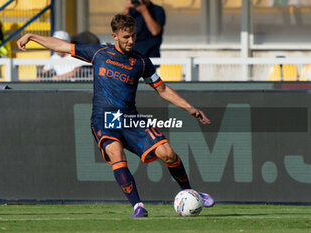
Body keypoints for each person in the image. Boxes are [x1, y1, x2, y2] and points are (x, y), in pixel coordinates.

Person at [17, 13, 215, 217]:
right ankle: (138, 206)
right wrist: (32, 36)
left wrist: (189, 108)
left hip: (130, 119)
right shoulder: (98, 53)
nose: (131, 41)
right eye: (126, 37)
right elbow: (62, 47)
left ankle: (190, 192)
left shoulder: (141, 61)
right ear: (115, 36)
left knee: (167, 153)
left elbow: (162, 89)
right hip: (104, 119)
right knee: (116, 155)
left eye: (133, 36)